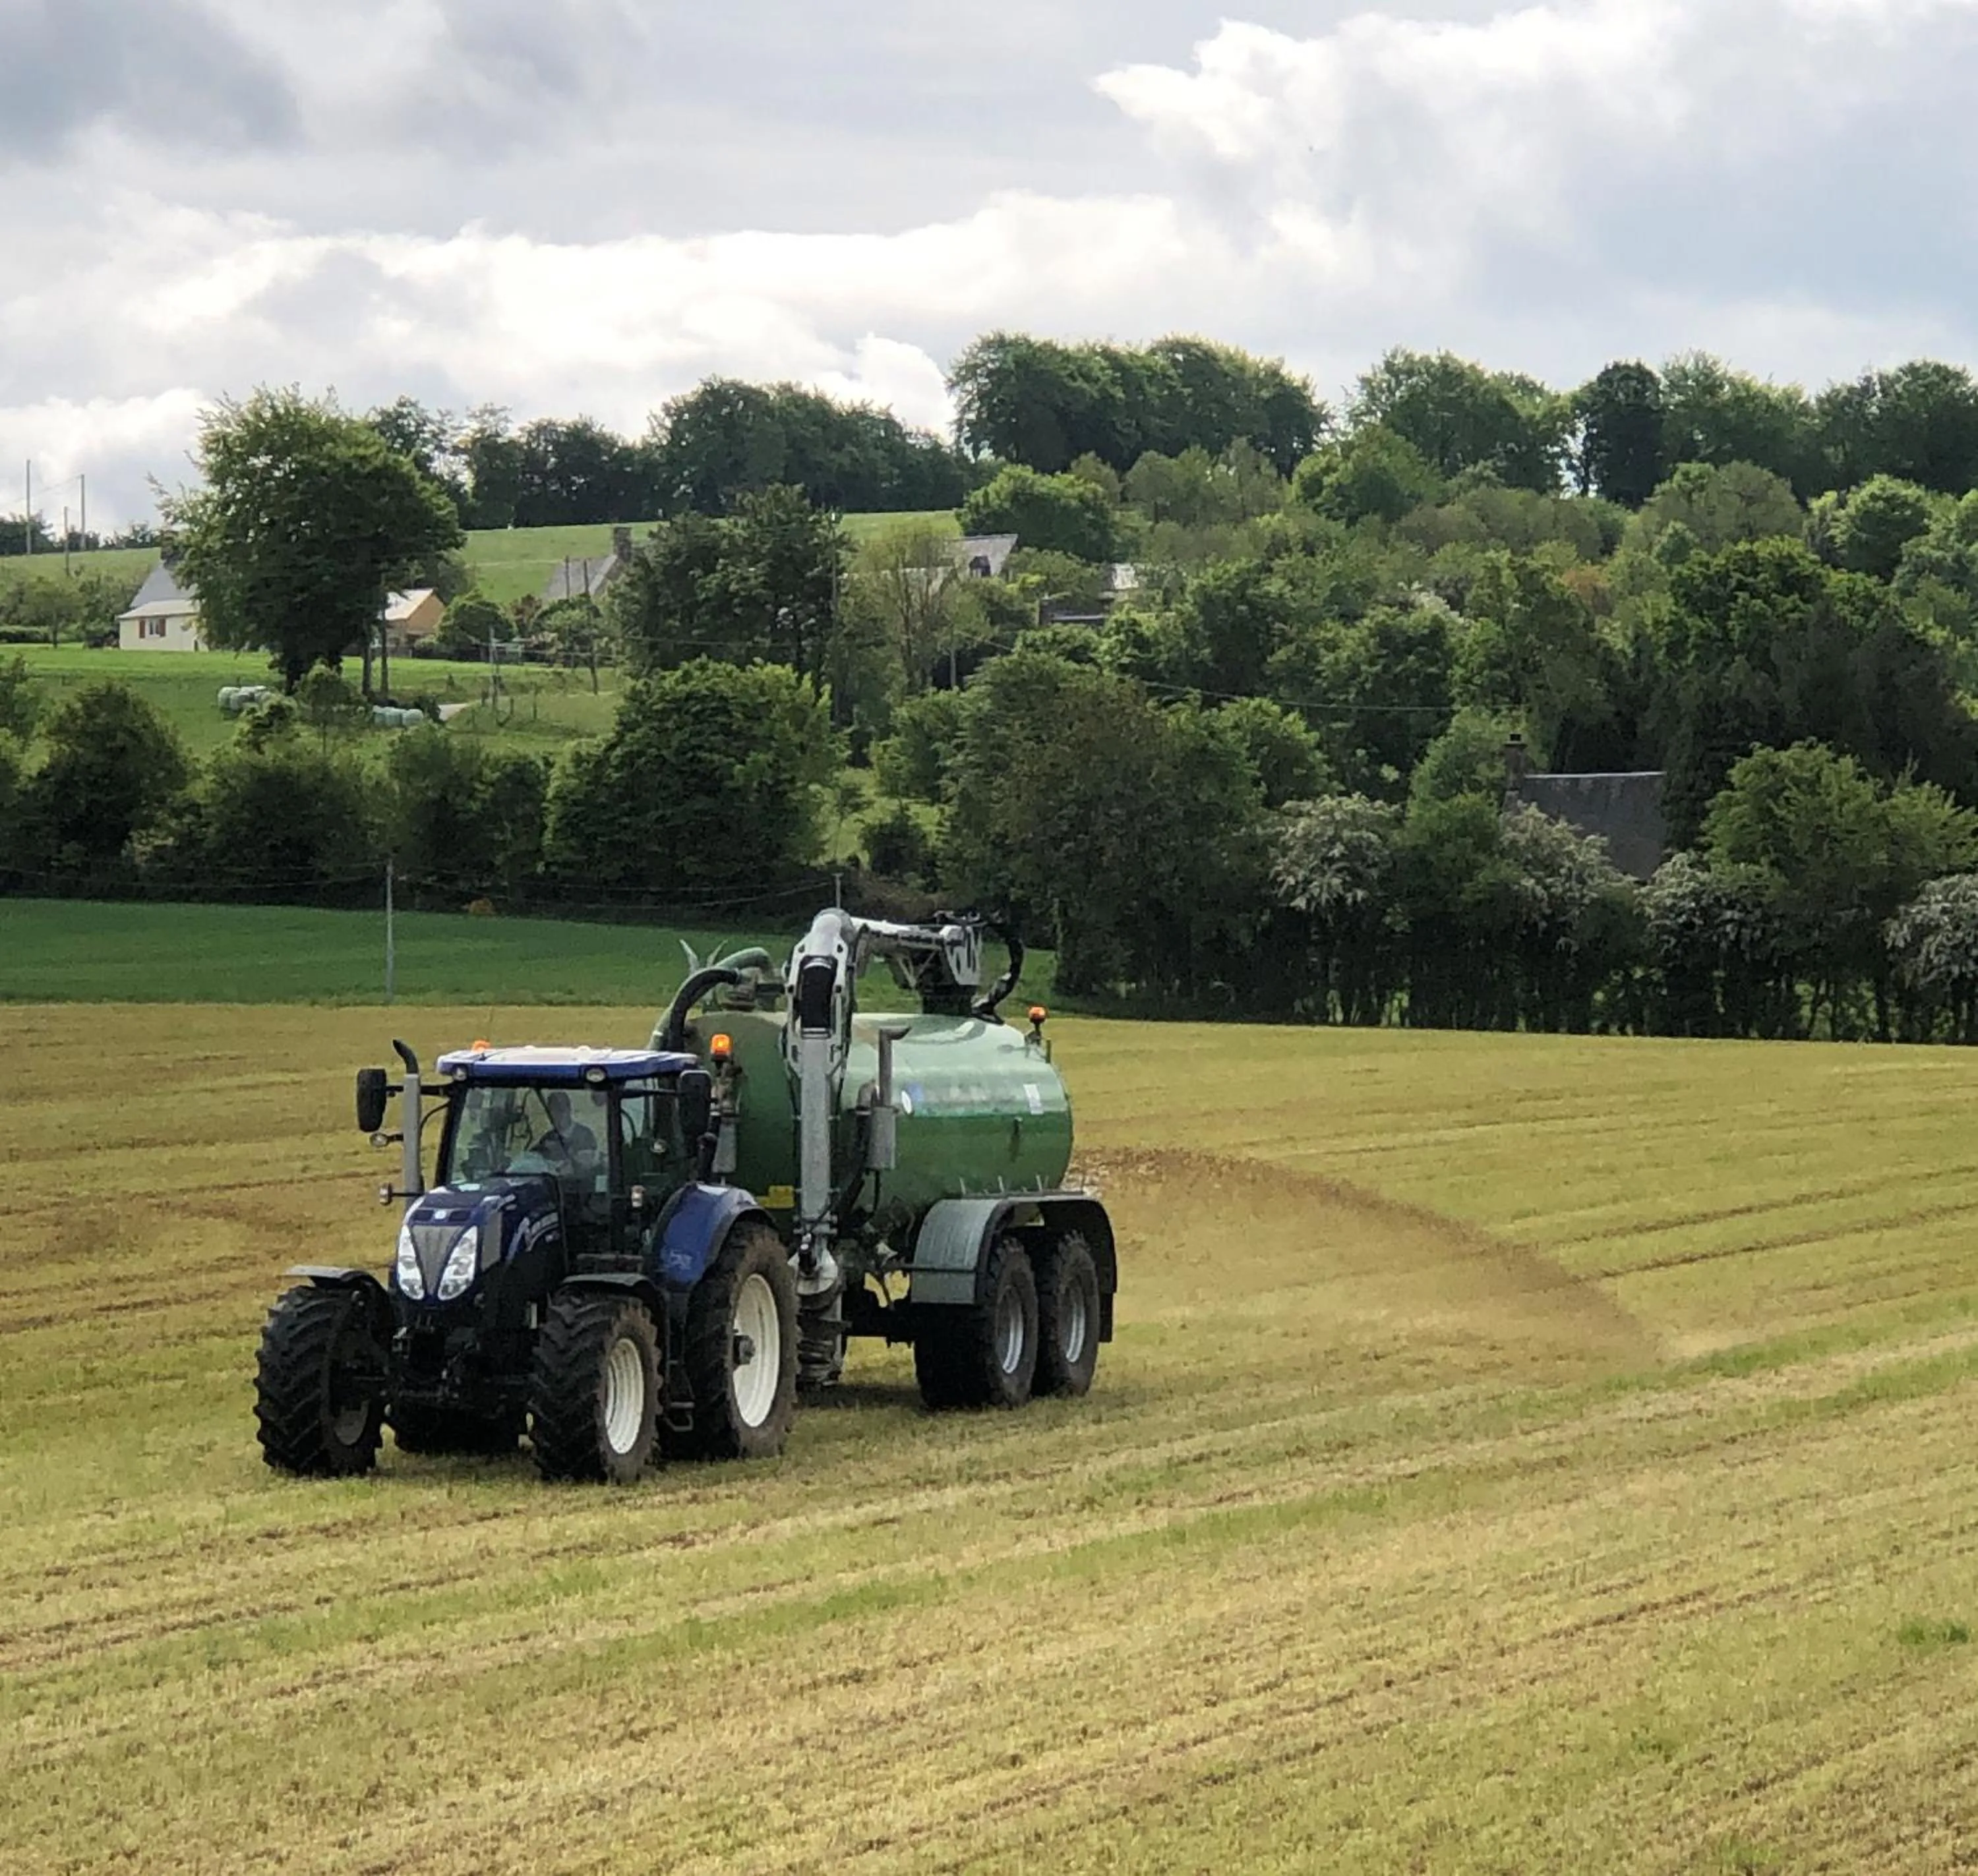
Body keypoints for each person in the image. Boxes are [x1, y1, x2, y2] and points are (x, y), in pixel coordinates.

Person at [533, 1089, 600, 1171]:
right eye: (553, 1112)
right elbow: (535, 1159)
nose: (558, 1116)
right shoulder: (548, 1138)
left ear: (569, 1110)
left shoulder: (585, 1135)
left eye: (561, 1110)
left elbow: (587, 1165)